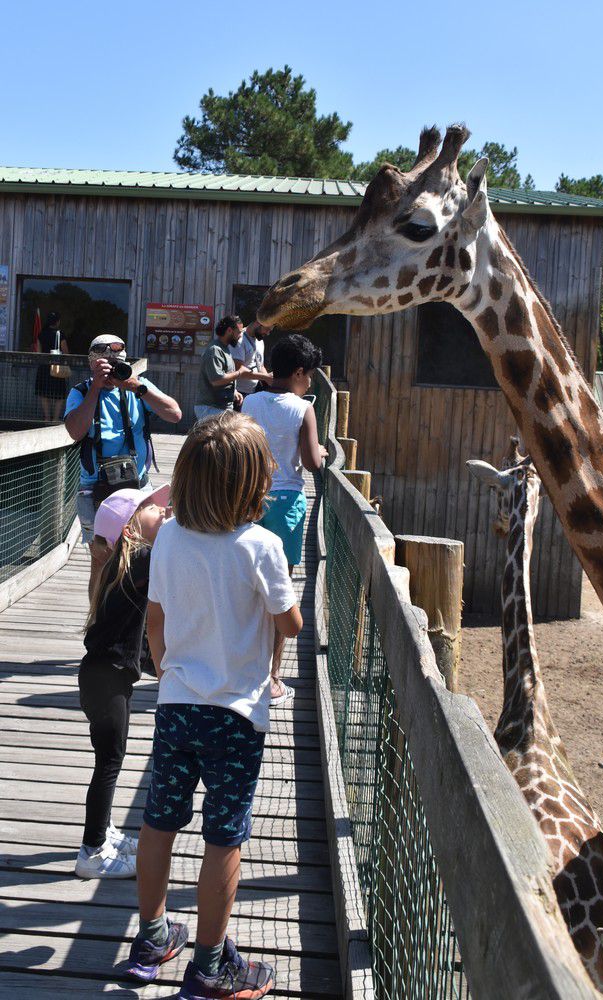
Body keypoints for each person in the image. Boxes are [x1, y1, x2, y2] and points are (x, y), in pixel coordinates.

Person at [126, 412, 302, 997]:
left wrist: (166, 666)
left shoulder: (168, 535)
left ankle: (151, 935)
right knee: (224, 834)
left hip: (176, 706)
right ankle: (209, 966)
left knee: (159, 819)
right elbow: (292, 625)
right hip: (236, 715)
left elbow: (156, 619)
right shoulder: (264, 547)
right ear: (254, 485)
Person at [75, 483, 172, 879]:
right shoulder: (142, 559)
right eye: (153, 508)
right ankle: (92, 851)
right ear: (130, 529)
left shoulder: (122, 566)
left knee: (109, 759)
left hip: (103, 678)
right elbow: (174, 552)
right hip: (107, 681)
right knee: (109, 762)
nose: (163, 512)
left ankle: (104, 831)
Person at [242, 334, 326, 706]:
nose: (309, 382)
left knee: (245, 585)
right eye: (309, 375)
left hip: (248, 500)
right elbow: (311, 462)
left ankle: (242, 667)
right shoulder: (303, 408)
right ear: (297, 372)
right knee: (280, 590)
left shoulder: (249, 403)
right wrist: (320, 451)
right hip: (288, 503)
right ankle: (272, 678)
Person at [64, 334, 181, 598]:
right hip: (96, 490)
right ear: (94, 363)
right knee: (101, 560)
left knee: (149, 553)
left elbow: (175, 414)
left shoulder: (138, 387)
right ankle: (96, 623)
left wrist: (137, 387)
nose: (115, 370)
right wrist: (95, 387)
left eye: (119, 363)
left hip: (138, 486)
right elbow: (74, 432)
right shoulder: (81, 392)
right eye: (108, 364)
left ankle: (139, 620)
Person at [194, 315, 267, 422]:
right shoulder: (215, 350)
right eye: (239, 332)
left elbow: (225, 377)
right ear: (229, 330)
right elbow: (216, 380)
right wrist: (239, 372)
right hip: (211, 408)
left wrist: (234, 391)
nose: (240, 335)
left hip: (221, 408)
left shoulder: (225, 349)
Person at [34, 311, 70, 421]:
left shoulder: (41, 334)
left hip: (44, 367)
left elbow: (39, 353)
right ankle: (55, 420)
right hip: (57, 367)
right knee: (60, 395)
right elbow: (66, 352)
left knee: (44, 394)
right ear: (57, 322)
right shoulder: (60, 334)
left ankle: (47, 418)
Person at [229, 319, 272, 399]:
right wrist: (266, 377)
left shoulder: (260, 341)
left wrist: (270, 379)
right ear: (258, 323)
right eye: (267, 329)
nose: (268, 333)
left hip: (254, 392)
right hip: (239, 394)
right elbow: (239, 370)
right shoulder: (239, 339)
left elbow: (260, 365)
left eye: (270, 330)